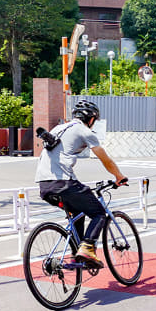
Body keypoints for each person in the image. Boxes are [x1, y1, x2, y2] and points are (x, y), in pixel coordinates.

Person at [34, 99, 127, 269]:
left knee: (78, 212)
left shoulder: (58, 128)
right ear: (91, 119)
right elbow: (105, 159)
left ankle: (76, 255)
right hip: (64, 183)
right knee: (99, 213)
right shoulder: (85, 131)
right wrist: (119, 176)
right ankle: (87, 248)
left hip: (44, 185)